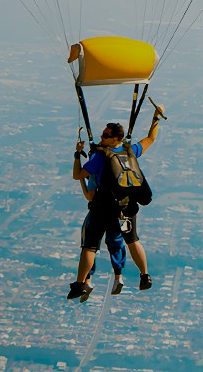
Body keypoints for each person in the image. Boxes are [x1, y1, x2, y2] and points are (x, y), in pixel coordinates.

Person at [68, 101, 164, 300]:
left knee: (90, 246)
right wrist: (156, 117)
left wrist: (78, 154)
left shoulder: (101, 157)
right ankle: (145, 275)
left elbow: (78, 175)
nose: (102, 138)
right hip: (126, 208)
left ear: (114, 139)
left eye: (105, 135)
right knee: (132, 240)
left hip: (102, 209)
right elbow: (151, 139)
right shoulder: (131, 151)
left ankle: (79, 284)